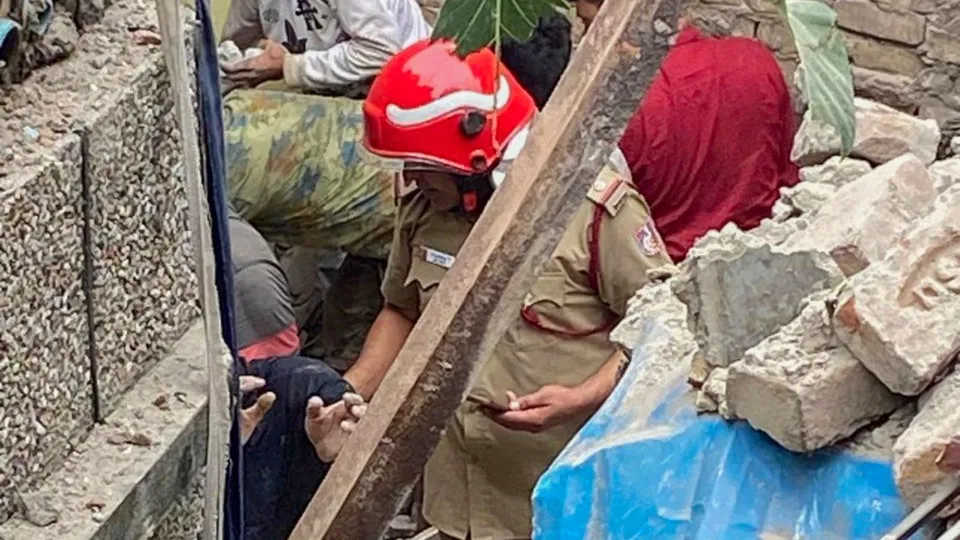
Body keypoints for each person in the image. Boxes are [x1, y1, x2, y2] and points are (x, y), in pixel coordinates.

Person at [344, 39, 672, 539]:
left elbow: (663, 326)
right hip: (454, 498)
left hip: (560, 503)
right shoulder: (426, 210)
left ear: (478, 161)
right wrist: (349, 393)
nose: (411, 177)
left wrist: (581, 398)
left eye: (424, 166)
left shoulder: (593, 213)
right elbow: (402, 311)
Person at [575, 0, 799, 262]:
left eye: (588, 25)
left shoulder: (623, 106)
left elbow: (605, 229)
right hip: (762, 261)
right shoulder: (757, 61)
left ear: (614, 20)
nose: (584, 40)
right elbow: (787, 175)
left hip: (661, 281)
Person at [218, 0, 430, 93]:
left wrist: (290, 66)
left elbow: (379, 52)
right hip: (335, 90)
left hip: (414, 85)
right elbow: (235, 45)